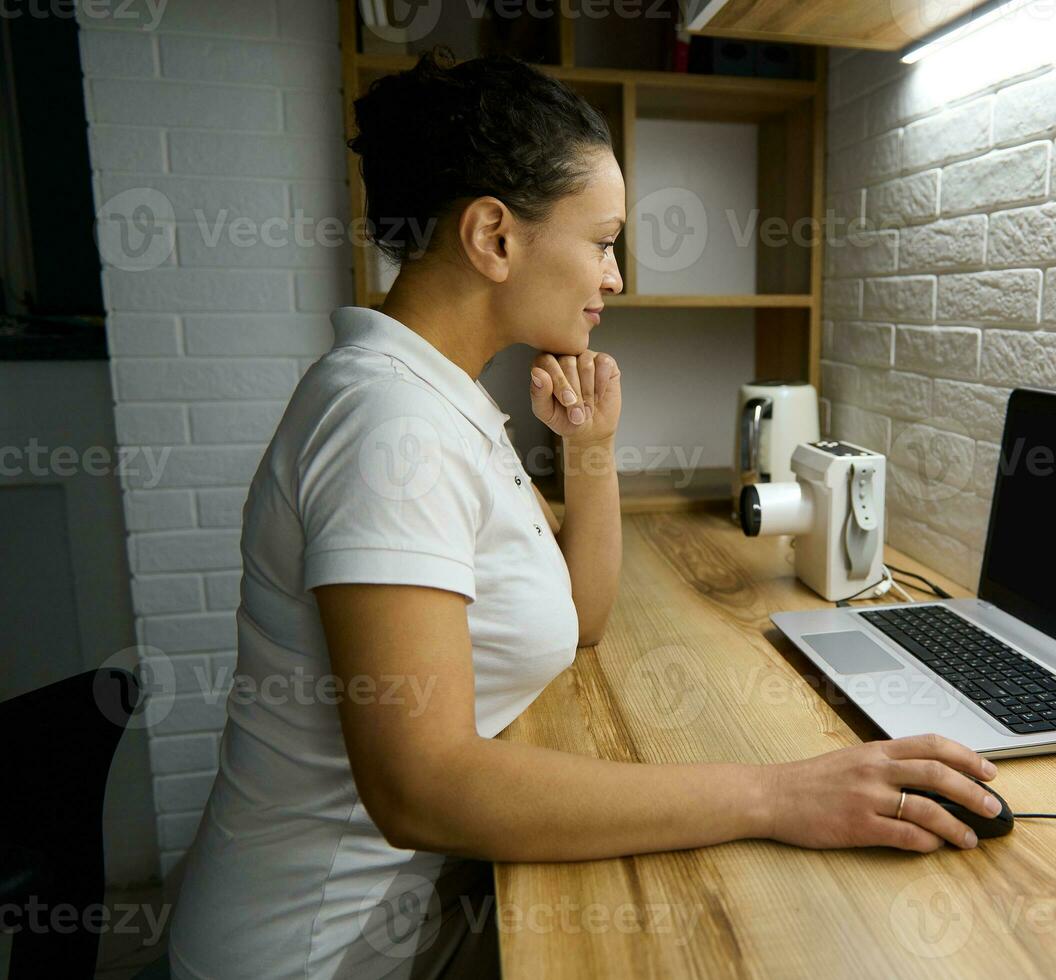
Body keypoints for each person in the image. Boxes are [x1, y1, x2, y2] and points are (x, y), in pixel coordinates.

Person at [167, 49, 1002, 979]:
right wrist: (777, 795)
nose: (614, 278)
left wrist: (590, 447)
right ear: (493, 237)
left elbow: (580, 621)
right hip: (304, 955)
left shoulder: (438, 399)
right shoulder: (389, 428)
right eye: (603, 241)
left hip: (390, 930)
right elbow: (421, 786)